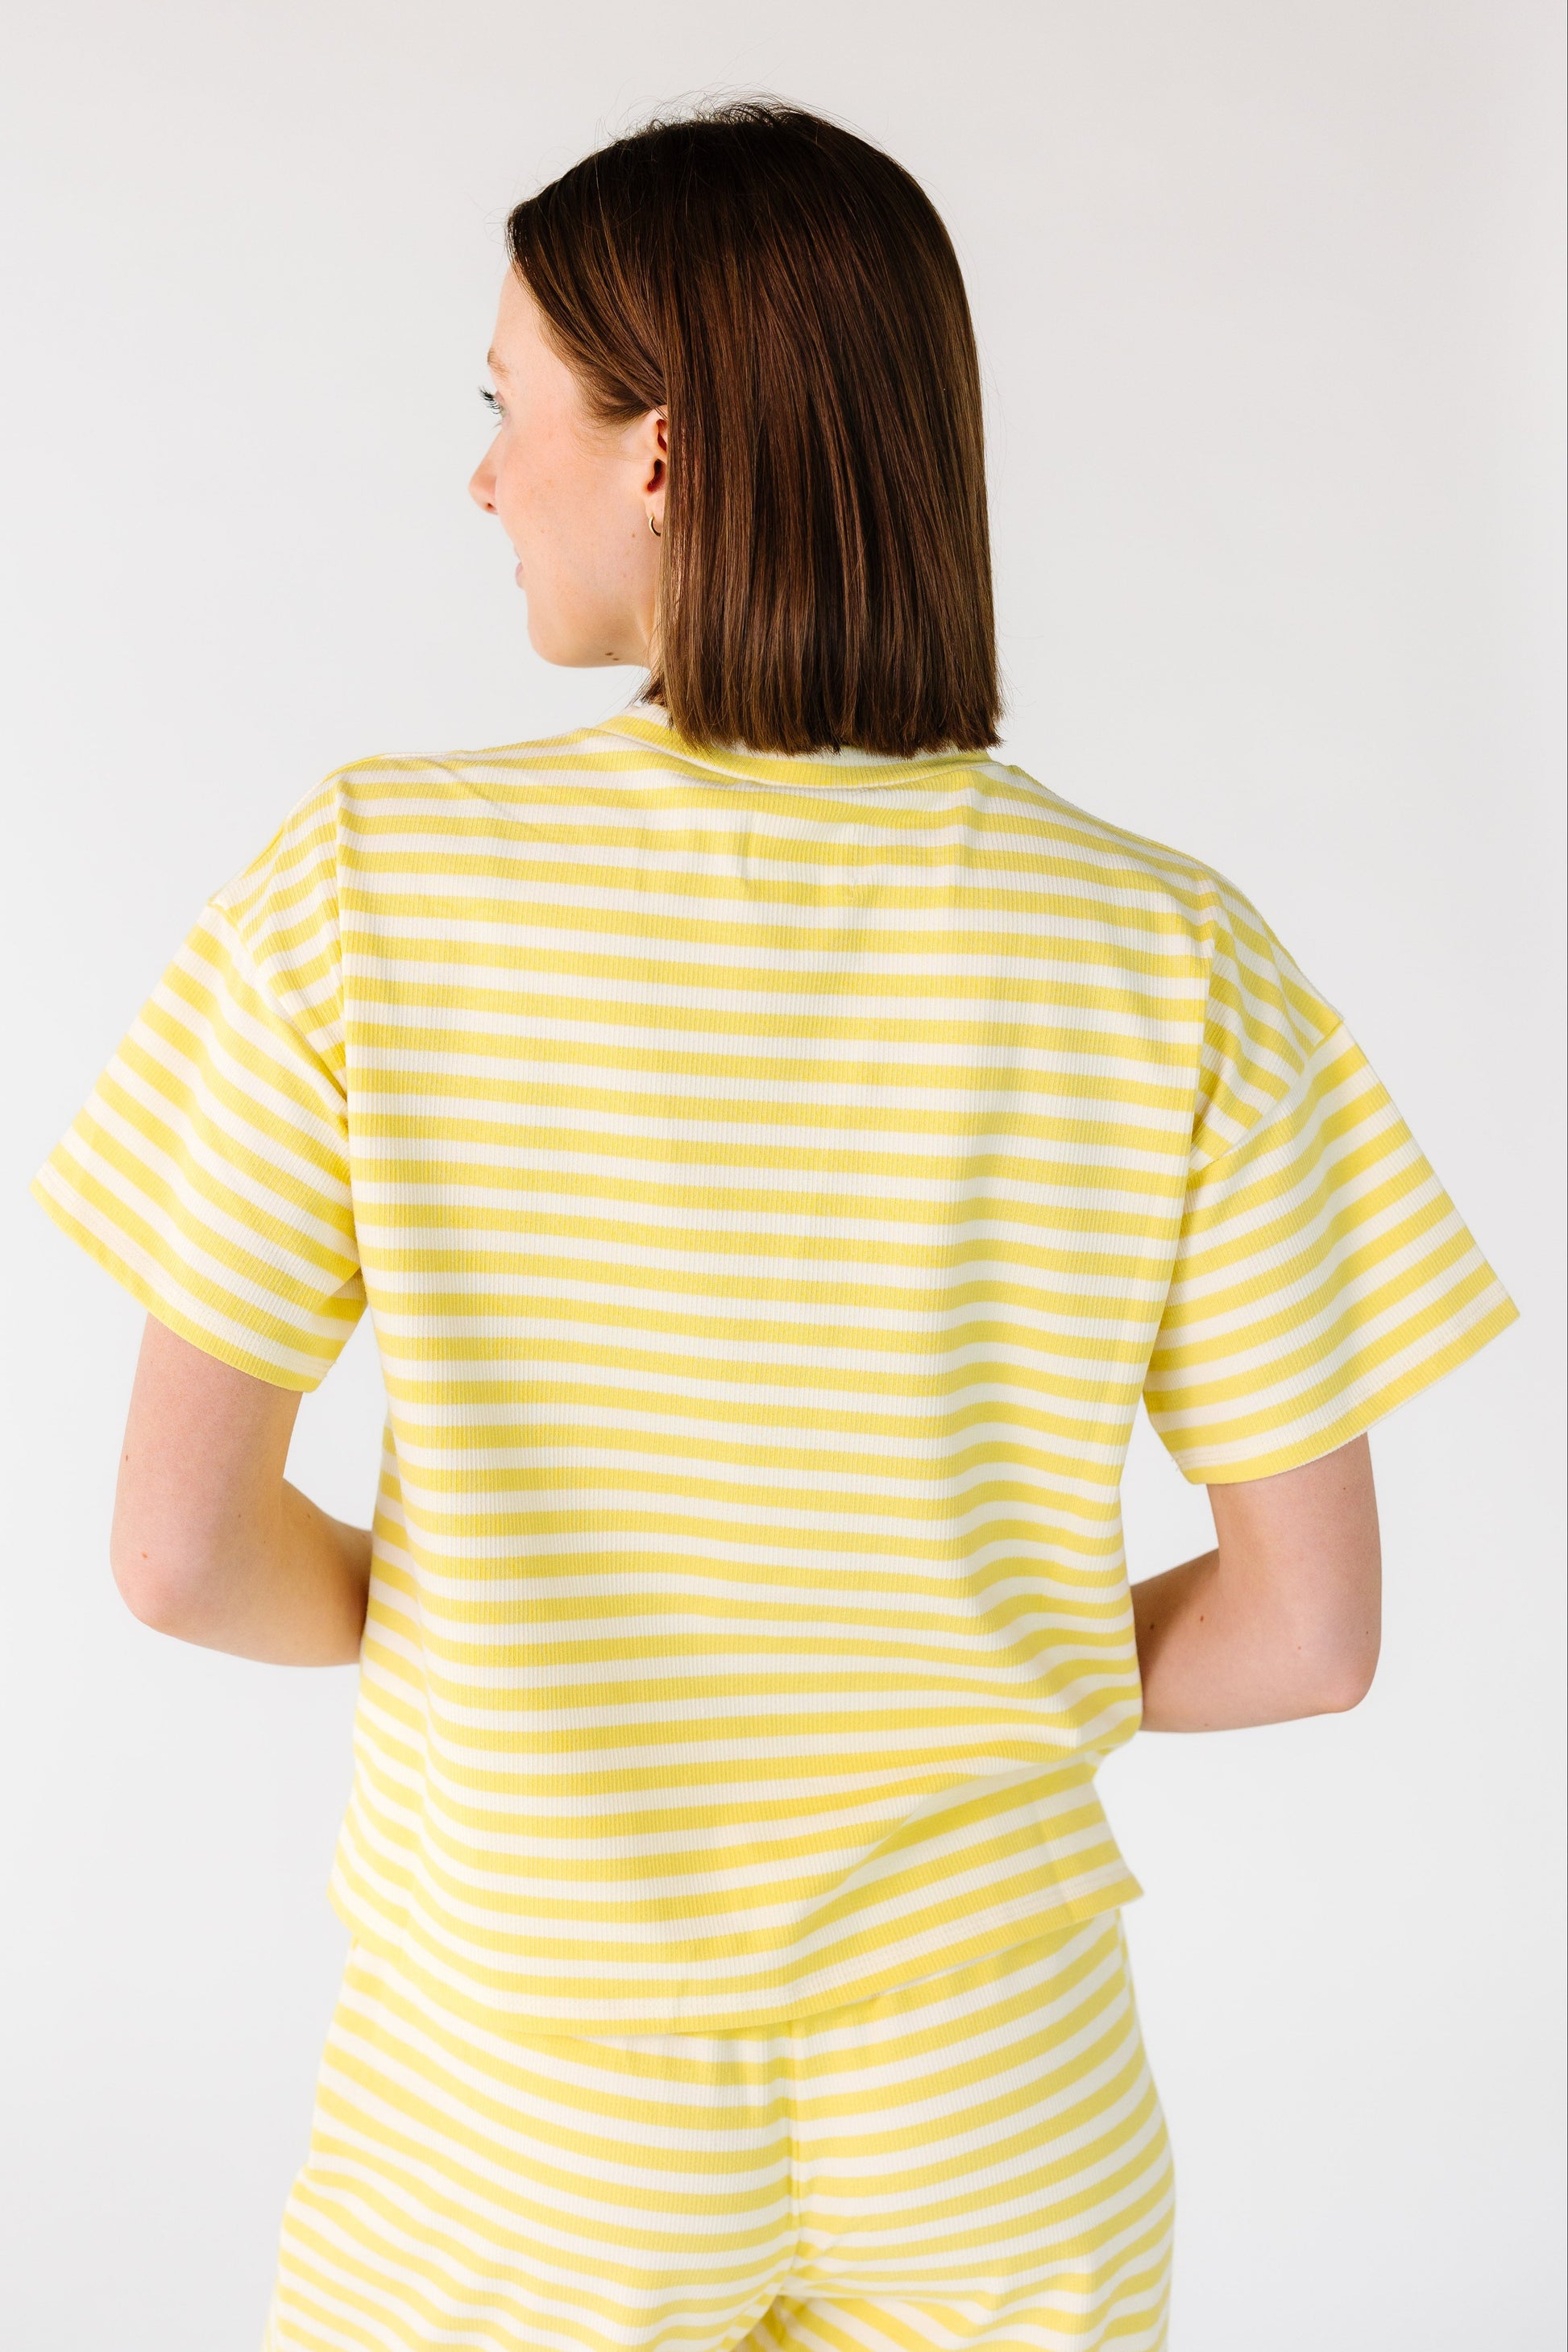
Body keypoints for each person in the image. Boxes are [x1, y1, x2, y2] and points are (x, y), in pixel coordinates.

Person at [34, 98, 1516, 2352]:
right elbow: (1304, 1635)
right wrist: (915, 1676)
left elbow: (176, 1553)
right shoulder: (1167, 953)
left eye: (502, 409)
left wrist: (493, 1656)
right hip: (999, 2093)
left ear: (658, 454)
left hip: (523, 2092)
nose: (478, 479)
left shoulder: (369, 887)